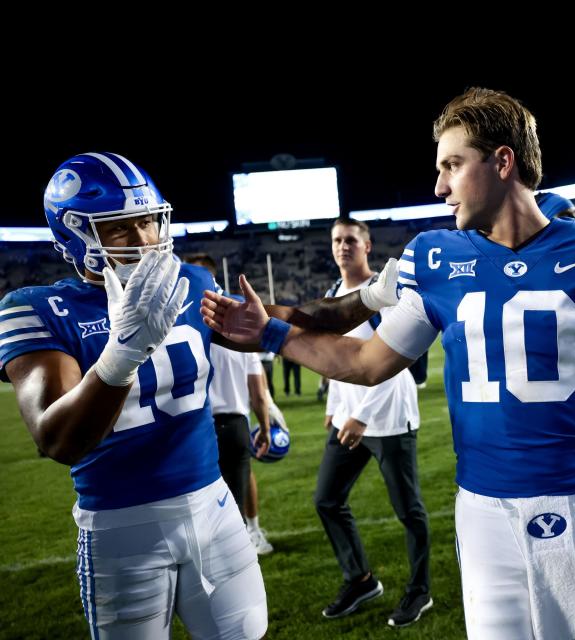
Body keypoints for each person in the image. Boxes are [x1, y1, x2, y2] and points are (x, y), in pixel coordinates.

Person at [201, 87, 575, 639]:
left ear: (503, 161)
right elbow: (367, 362)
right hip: (491, 521)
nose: (440, 186)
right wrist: (273, 334)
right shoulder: (436, 258)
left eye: (452, 165)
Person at [0, 152, 393, 638]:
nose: (144, 240)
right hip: (122, 526)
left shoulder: (188, 283)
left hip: (213, 506)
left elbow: (292, 319)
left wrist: (373, 296)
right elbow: (57, 439)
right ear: (74, 235)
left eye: (148, 221)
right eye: (122, 228)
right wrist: (121, 354)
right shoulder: (38, 309)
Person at [314, 218, 431, 627]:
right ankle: (360, 579)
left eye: (350, 240)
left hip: (388, 418)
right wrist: (335, 405)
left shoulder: (386, 293)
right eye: (336, 240)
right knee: (326, 499)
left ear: (367, 246)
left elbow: (397, 364)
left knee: (408, 510)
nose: (342, 246)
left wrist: (361, 416)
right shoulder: (332, 293)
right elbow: (335, 360)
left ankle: (419, 591)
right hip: (348, 418)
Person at [185, 253, 277, 555]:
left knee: (200, 501)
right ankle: (249, 537)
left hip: (196, 427)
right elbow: (258, 390)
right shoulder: (238, 323)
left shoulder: (182, 326)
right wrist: (264, 425)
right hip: (234, 424)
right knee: (236, 493)